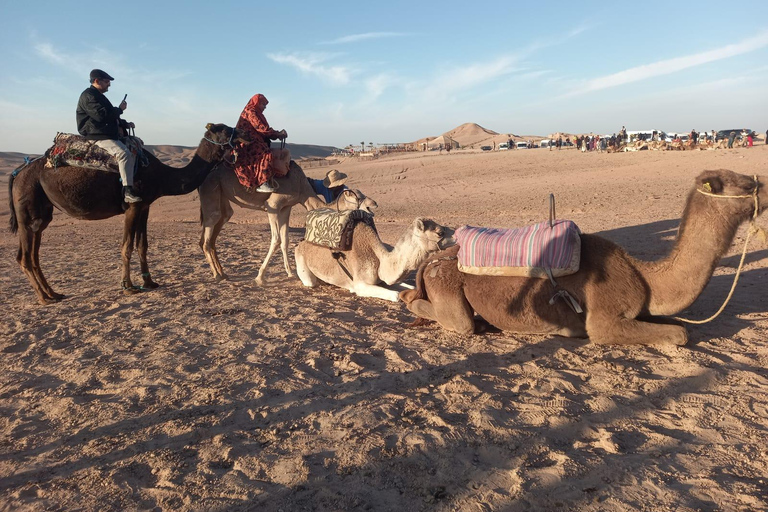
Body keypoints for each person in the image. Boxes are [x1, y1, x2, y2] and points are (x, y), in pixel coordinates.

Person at [76, 69, 140, 203]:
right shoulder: (88, 96)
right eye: (106, 82)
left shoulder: (98, 96)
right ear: (96, 81)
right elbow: (101, 116)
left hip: (105, 132)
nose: (109, 85)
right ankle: (127, 191)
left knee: (137, 144)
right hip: (97, 135)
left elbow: (109, 116)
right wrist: (120, 110)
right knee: (124, 153)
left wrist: (124, 124)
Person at [232, 94, 287, 193]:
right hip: (247, 142)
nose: (264, 107)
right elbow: (261, 129)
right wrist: (278, 134)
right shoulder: (251, 112)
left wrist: (277, 134)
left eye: (265, 105)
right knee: (266, 154)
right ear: (256, 103)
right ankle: (262, 182)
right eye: (263, 104)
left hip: (254, 140)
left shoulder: (257, 113)